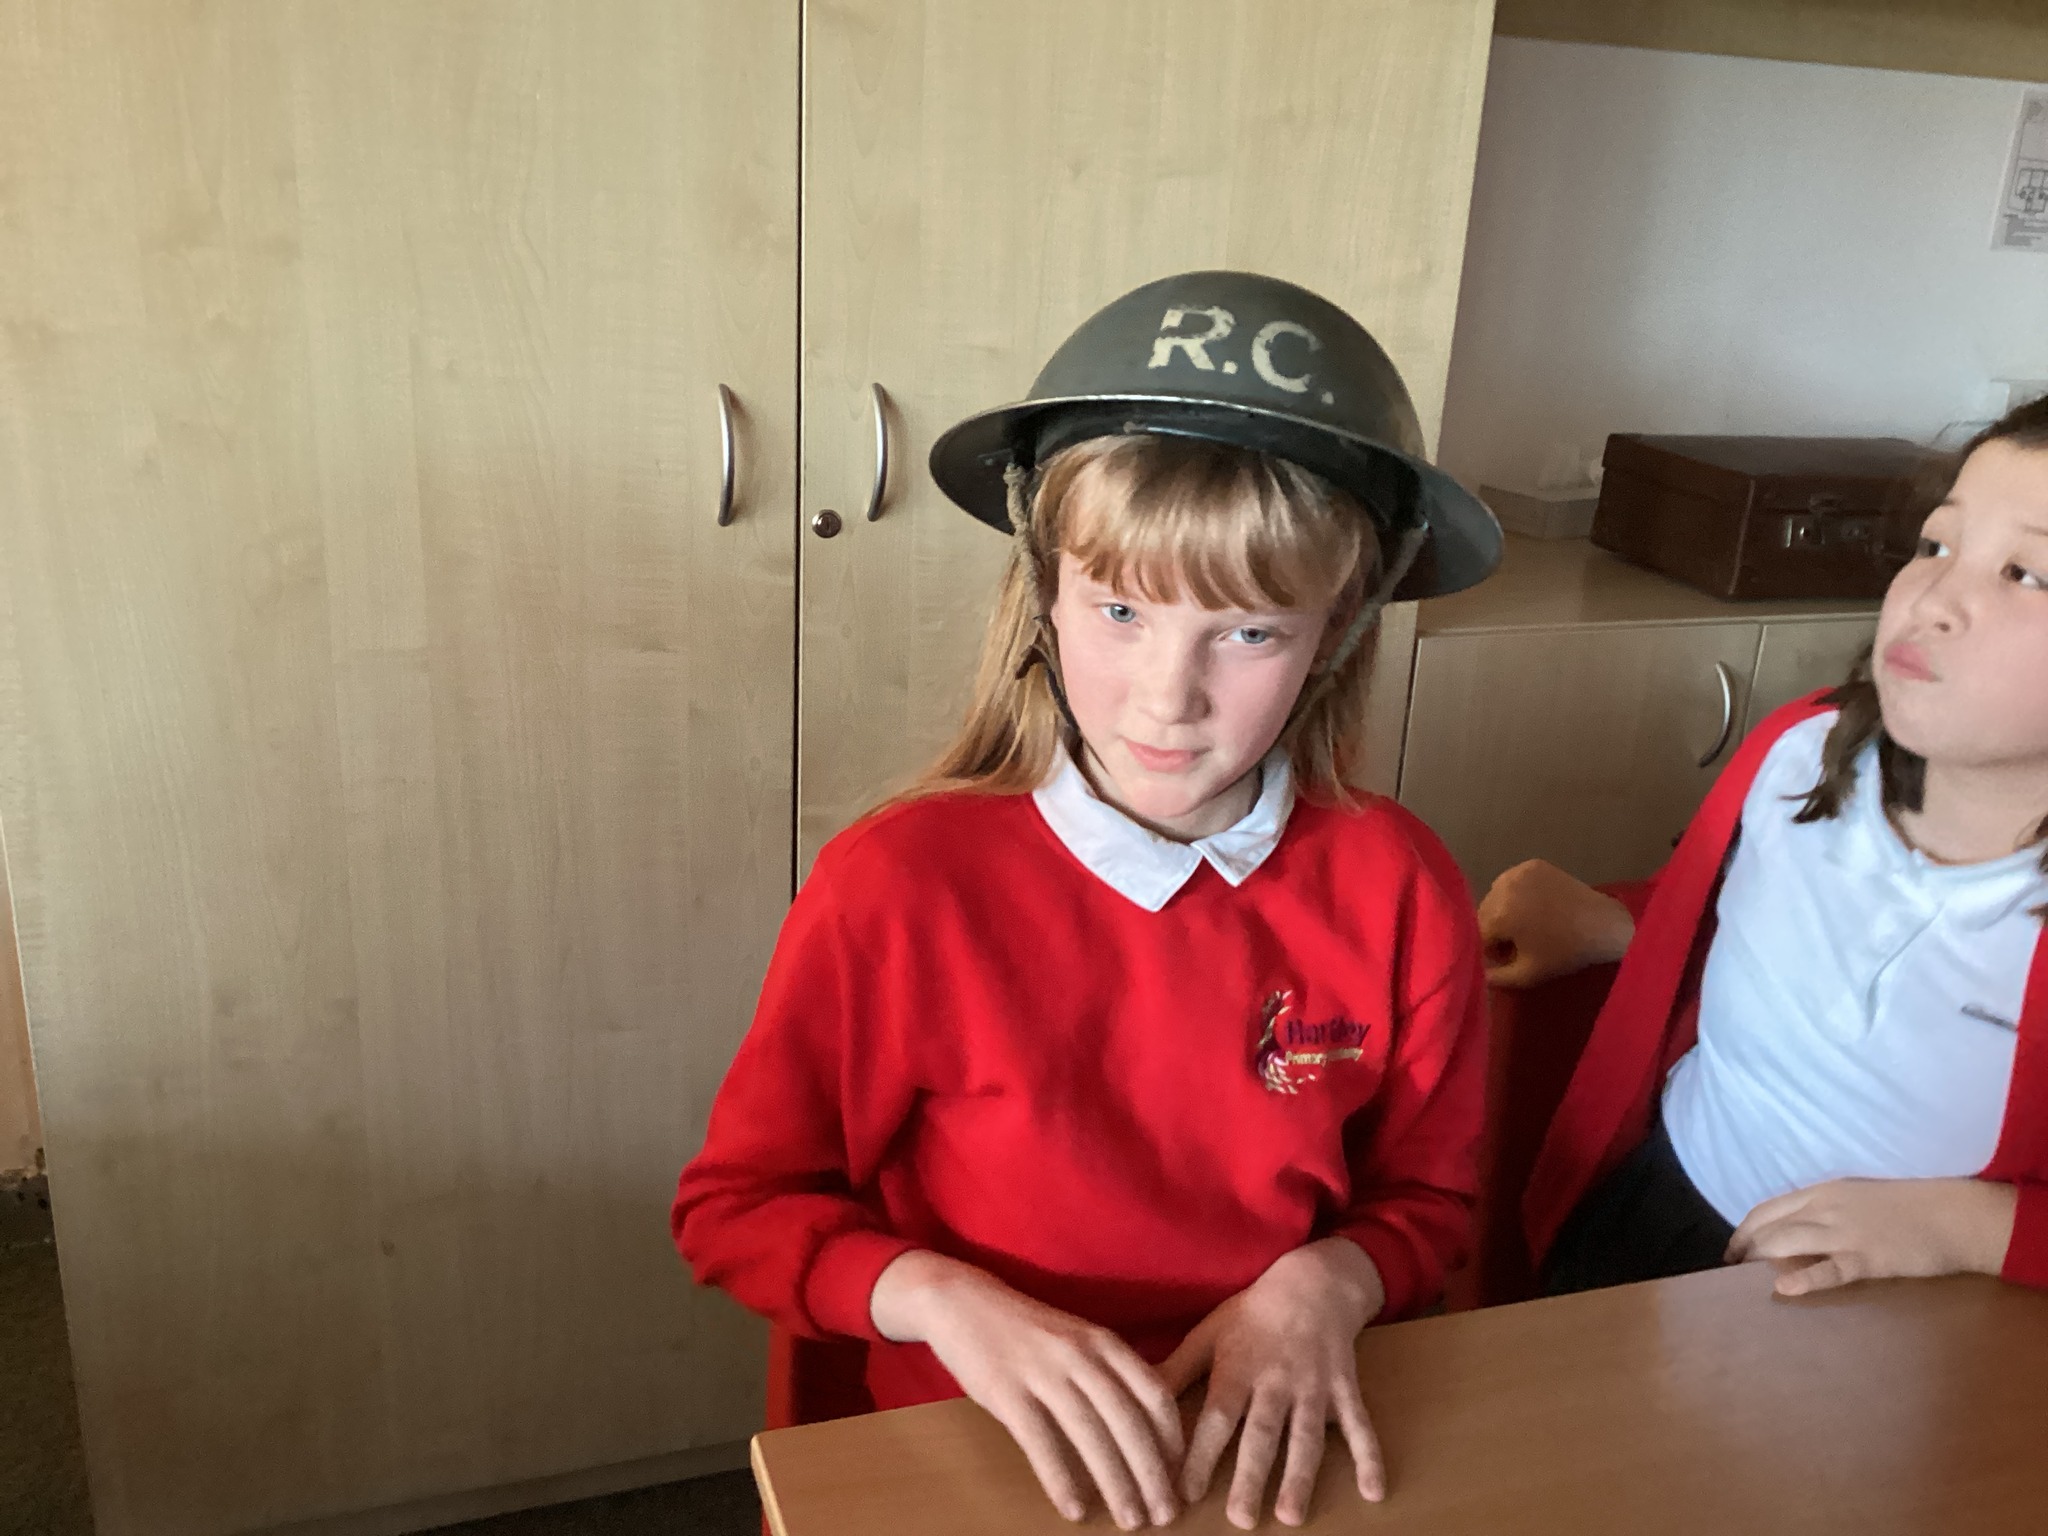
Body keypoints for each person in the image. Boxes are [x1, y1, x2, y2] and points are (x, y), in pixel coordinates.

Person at [673, 271, 1503, 1530]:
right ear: (1043, 593)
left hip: (1276, 1436)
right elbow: (736, 1209)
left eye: (1247, 634)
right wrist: (940, 1300)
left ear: (1333, 632)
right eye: (1120, 611)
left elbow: (1431, 1201)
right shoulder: (899, 887)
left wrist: (1328, 1281)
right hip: (980, 1443)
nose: (1164, 699)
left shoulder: (1398, 884)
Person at [1480, 397, 2048, 1302]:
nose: (1933, 600)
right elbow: (1765, 930)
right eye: (1938, 546)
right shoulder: (1800, 749)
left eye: (2026, 573)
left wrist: (1977, 1225)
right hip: (1659, 1217)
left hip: (1916, 1310)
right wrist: (1620, 924)